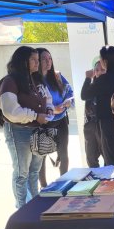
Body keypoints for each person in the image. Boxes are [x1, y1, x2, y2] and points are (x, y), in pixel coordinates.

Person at [0, 46, 54, 208]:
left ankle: (34, 206)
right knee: (22, 172)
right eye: (34, 60)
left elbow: (47, 97)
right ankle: (22, 209)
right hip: (18, 131)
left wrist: (48, 108)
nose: (38, 63)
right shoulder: (10, 81)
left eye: (38, 60)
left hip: (37, 131)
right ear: (23, 62)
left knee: (34, 171)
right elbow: (11, 111)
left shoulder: (35, 79)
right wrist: (36, 116)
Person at [81, 46, 114, 167]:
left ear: (105, 61)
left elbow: (84, 95)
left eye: (101, 59)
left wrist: (88, 78)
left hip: (109, 123)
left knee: (112, 162)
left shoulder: (105, 79)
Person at [37, 48, 74, 187]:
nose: (48, 62)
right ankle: (44, 186)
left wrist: (69, 101)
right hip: (44, 122)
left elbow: (71, 92)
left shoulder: (57, 76)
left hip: (61, 120)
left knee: (63, 153)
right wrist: (52, 109)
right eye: (44, 59)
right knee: (42, 156)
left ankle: (63, 183)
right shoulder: (34, 80)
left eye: (50, 58)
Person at [81, 60, 106, 167]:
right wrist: (87, 79)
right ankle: (95, 181)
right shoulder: (91, 86)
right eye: (97, 70)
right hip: (90, 125)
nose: (99, 72)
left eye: (103, 70)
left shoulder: (110, 85)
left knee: (108, 158)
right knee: (91, 157)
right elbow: (83, 96)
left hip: (104, 125)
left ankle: (109, 183)